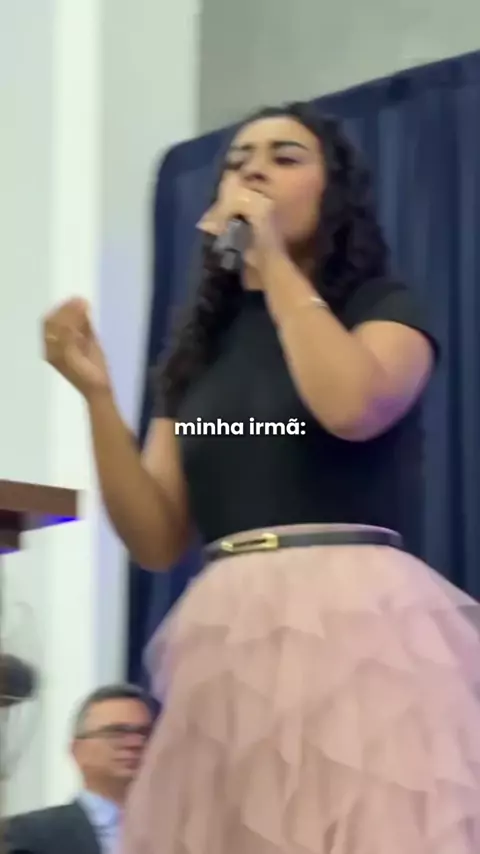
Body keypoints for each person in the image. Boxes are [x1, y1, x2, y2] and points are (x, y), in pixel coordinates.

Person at [42, 102, 480, 853]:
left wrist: (272, 262)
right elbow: (155, 536)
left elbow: (351, 406)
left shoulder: (381, 306)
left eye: (285, 156)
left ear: (333, 190)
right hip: (229, 627)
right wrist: (99, 398)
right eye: (239, 161)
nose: (254, 171)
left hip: (353, 619)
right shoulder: (202, 352)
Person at [6, 684, 154, 854]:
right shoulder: (24, 836)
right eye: (117, 732)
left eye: (145, 733)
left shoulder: (175, 829)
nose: (135, 743)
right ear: (77, 750)